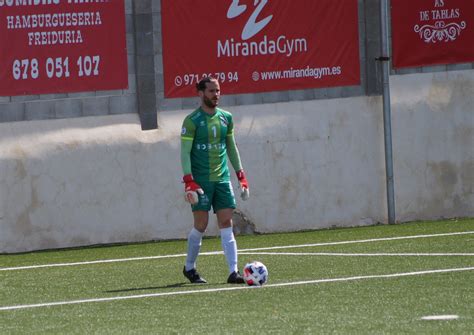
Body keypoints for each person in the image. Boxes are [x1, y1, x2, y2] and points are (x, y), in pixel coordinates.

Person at [180, 76, 249, 284]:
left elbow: (231, 147)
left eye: (218, 91)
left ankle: (233, 272)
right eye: (211, 91)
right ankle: (189, 268)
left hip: (222, 179)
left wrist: (241, 176)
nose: (216, 95)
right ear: (200, 93)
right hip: (200, 182)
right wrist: (189, 181)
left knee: (226, 222)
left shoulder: (226, 118)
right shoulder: (191, 121)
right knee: (201, 225)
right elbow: (185, 153)